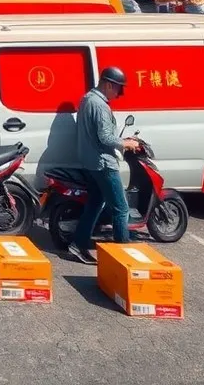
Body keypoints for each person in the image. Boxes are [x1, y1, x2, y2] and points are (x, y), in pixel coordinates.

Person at [69, 67, 141, 265]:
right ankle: (121, 258)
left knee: (93, 205)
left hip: (90, 163)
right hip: (103, 164)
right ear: (109, 85)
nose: (119, 94)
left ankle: (78, 245)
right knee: (121, 209)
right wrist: (127, 143)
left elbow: (96, 134)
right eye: (118, 89)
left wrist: (121, 139)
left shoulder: (86, 99)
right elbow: (105, 137)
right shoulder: (100, 105)